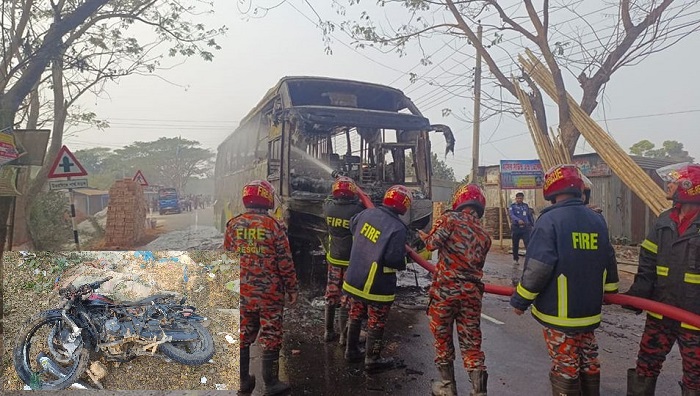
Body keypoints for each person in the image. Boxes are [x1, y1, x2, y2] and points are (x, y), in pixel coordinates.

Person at [510, 164, 619, 395]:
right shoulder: (597, 220)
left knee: (566, 366)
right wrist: (610, 291)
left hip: (560, 314)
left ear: (550, 189)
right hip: (589, 312)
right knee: (589, 361)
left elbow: (539, 267)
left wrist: (521, 300)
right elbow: (609, 258)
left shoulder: (550, 221)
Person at [625, 163, 700, 395]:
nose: (668, 184)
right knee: (645, 365)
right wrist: (638, 294)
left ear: (690, 188)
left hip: (695, 317)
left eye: (674, 181)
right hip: (661, 311)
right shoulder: (664, 220)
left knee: (696, 375)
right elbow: (648, 261)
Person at [224, 179, 298, 396]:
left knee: (243, 336)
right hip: (270, 295)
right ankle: (271, 383)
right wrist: (292, 289)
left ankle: (243, 381)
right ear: (267, 198)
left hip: (242, 293)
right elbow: (285, 261)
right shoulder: (274, 226)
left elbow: (227, 260)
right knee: (271, 335)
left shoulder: (233, 225)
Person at [418, 183, 492, 396]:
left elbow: (432, 244)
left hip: (445, 293)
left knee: (442, 338)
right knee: (472, 342)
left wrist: (424, 237)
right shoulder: (485, 235)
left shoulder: (449, 219)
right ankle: (479, 391)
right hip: (472, 295)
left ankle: (447, 386)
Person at [343, 184, 411, 372]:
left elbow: (352, 226)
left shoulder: (366, 214)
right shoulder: (398, 228)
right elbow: (393, 259)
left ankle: (351, 351)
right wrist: (405, 258)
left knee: (355, 314)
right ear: (404, 206)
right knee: (376, 322)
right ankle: (372, 359)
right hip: (376, 286)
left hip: (354, 278)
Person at [322, 176, 365, 344]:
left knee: (331, 293)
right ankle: (343, 337)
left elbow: (328, 198)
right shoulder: (357, 210)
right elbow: (365, 205)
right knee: (346, 298)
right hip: (350, 261)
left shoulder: (329, 208)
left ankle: (328, 331)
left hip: (333, 258)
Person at [508, 191, 535, 286]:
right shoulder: (512, 206)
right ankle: (515, 259)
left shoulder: (526, 206)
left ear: (523, 198)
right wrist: (517, 220)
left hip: (526, 228)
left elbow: (529, 216)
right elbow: (512, 215)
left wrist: (533, 225)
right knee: (515, 244)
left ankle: (529, 259)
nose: (519, 199)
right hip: (516, 228)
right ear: (516, 198)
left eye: (521, 198)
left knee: (528, 243)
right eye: (518, 198)